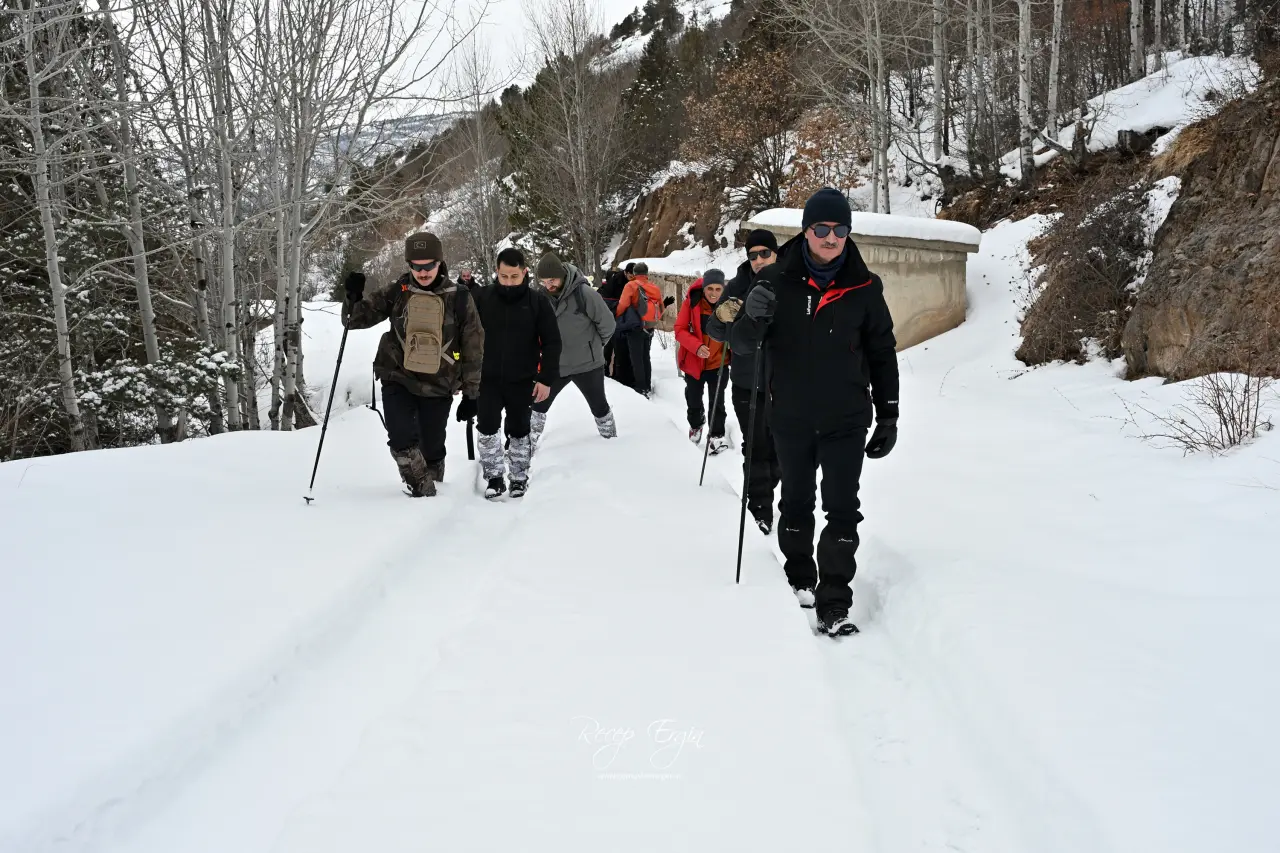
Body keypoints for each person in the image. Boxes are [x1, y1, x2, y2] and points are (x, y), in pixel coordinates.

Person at [729, 188, 899, 637]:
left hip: (846, 418)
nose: (830, 237)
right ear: (806, 230)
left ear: (848, 233)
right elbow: (742, 346)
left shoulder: (865, 287)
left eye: (839, 229)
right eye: (821, 228)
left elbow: (882, 351)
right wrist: (750, 316)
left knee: (843, 509)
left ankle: (834, 602)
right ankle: (799, 577)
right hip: (790, 415)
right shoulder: (774, 281)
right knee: (797, 502)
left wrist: (888, 414)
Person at [342, 232, 483, 497]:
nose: (423, 271)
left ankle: (433, 493)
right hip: (398, 375)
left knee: (432, 446)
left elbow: (473, 346)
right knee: (401, 437)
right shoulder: (398, 291)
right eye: (416, 266)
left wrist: (472, 393)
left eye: (428, 265)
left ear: (439, 262)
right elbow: (355, 320)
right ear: (409, 265)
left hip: (439, 382)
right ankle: (422, 491)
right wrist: (352, 295)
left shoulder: (460, 297)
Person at [705, 228, 782, 535]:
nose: (759, 260)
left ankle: (773, 487)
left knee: (781, 449)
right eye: (753, 255)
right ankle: (759, 508)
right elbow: (716, 330)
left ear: (776, 253)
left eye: (765, 253)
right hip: (748, 382)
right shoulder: (736, 286)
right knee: (756, 447)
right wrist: (723, 317)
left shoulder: (791, 283)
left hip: (785, 383)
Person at [468, 247, 562, 499]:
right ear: (496, 273)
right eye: (504, 276)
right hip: (486, 379)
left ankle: (519, 477)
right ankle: (494, 477)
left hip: (523, 379)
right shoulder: (481, 298)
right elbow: (465, 338)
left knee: (520, 429)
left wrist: (545, 379)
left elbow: (552, 342)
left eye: (514, 276)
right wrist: (464, 375)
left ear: (524, 273)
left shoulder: (537, 301)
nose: (509, 282)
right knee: (487, 427)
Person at [530, 253, 618, 450]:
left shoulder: (584, 294)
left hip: (587, 364)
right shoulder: (539, 298)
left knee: (599, 407)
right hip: (555, 366)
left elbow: (608, 324)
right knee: (537, 406)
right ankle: (526, 447)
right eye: (543, 281)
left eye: (551, 280)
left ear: (561, 275)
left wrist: (593, 346)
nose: (548, 285)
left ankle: (612, 444)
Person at [674, 269, 729, 452]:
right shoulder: (692, 303)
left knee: (717, 401)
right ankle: (696, 424)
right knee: (693, 398)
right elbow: (679, 330)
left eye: (718, 289)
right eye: (710, 289)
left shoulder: (729, 306)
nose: (713, 293)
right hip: (694, 362)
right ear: (704, 288)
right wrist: (696, 346)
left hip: (718, 363)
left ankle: (716, 435)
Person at [613, 261, 664, 397]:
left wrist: (616, 316)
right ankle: (647, 385)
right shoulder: (654, 287)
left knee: (636, 358)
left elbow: (623, 304)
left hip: (635, 326)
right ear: (646, 274)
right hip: (649, 326)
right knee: (645, 356)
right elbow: (661, 308)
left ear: (635, 274)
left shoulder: (631, 285)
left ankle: (640, 387)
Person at [599, 263, 633, 387]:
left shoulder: (630, 282)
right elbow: (607, 300)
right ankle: (606, 370)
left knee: (619, 348)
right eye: (631, 275)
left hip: (621, 318)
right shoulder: (616, 282)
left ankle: (616, 373)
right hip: (612, 316)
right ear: (626, 272)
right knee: (610, 345)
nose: (632, 277)